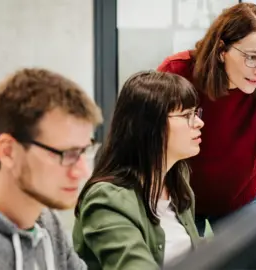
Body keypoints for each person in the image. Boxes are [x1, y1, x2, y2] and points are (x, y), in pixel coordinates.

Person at [157, 2, 256, 246]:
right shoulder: (178, 72)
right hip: (180, 198)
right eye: (252, 58)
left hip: (240, 198)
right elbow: (149, 142)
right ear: (222, 50)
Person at [72, 71, 205, 269]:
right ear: (150, 126)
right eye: (187, 115)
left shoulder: (177, 181)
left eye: (196, 113)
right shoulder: (106, 199)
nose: (199, 123)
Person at [0, 68, 102, 269]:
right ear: (8, 152)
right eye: (67, 154)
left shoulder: (46, 222)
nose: (82, 171)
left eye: (84, 151)